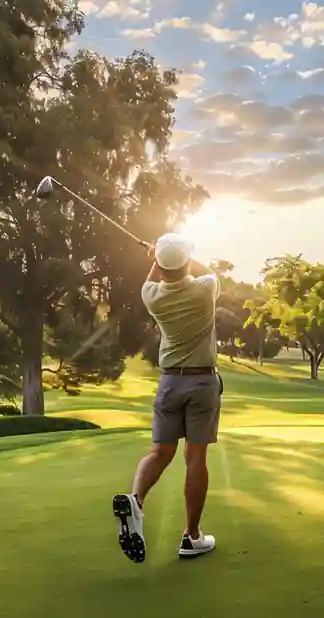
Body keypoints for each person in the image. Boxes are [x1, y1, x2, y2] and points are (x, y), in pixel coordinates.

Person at [112, 232, 223, 563]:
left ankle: (136, 500)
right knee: (196, 458)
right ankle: (191, 537)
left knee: (160, 452)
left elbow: (156, 278)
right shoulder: (206, 290)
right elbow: (206, 271)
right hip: (202, 382)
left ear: (159, 266)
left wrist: (155, 260)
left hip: (169, 383)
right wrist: (169, 256)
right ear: (186, 261)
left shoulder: (152, 296)